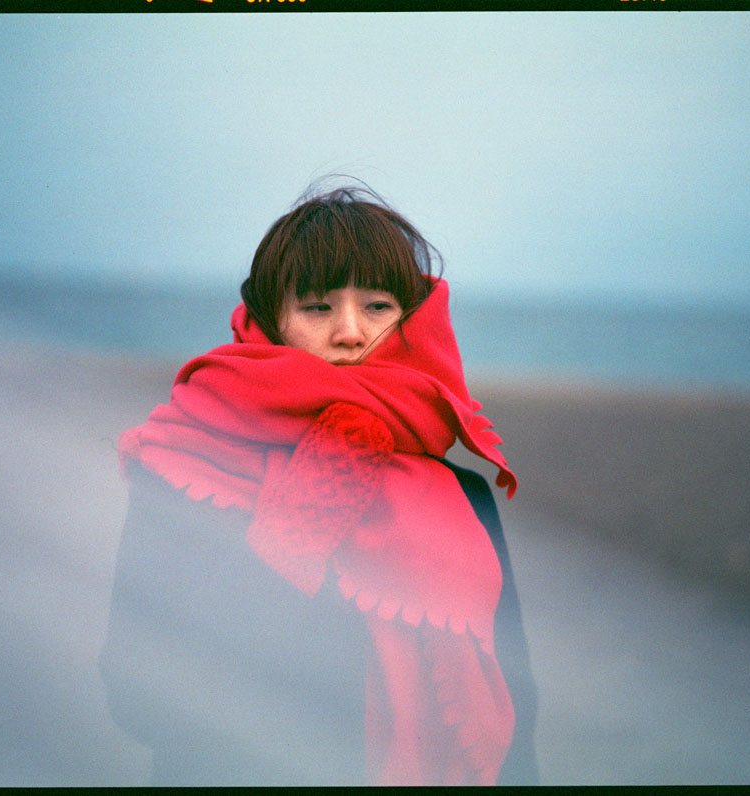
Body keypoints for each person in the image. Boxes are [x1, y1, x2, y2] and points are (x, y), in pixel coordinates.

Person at [98, 183, 539, 786]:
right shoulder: (183, 463)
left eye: (378, 306)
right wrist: (295, 529)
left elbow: (519, 727)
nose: (350, 332)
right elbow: (140, 702)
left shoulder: (466, 494)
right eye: (317, 307)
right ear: (272, 321)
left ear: (411, 322)